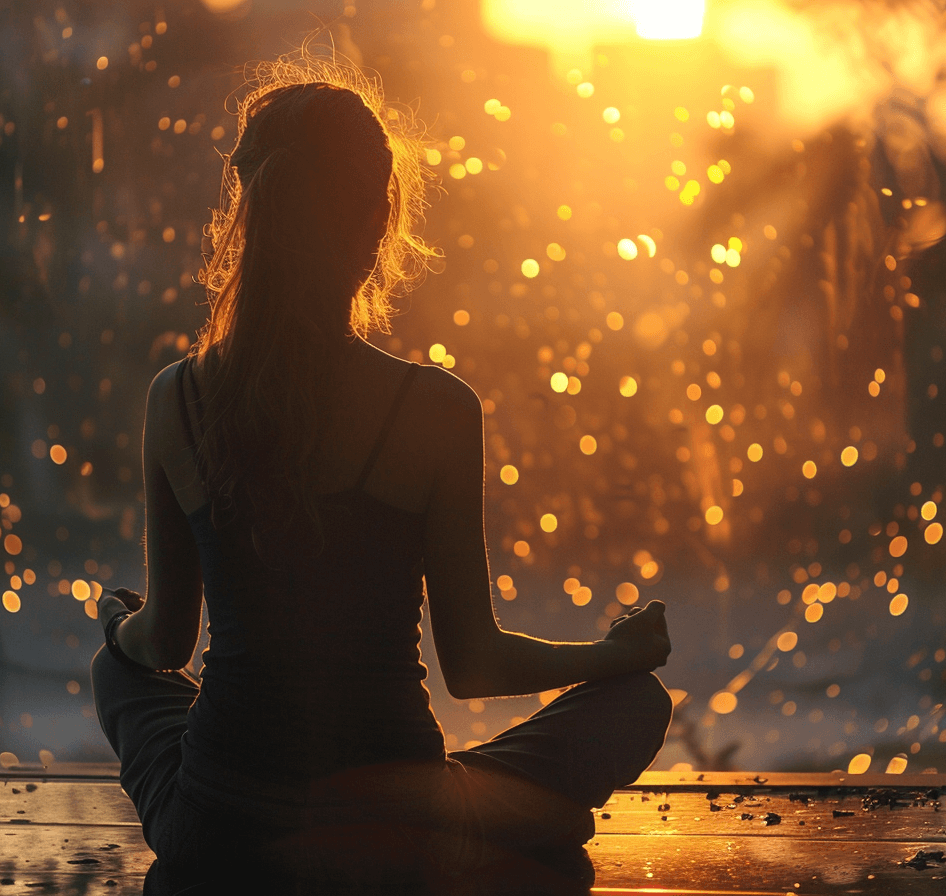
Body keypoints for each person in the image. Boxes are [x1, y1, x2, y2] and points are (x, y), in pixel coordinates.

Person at [90, 51, 672, 895]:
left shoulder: (176, 396)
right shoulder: (434, 408)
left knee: (120, 676)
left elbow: (165, 643)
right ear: (377, 221)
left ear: (249, 217)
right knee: (638, 702)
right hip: (401, 826)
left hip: (217, 826)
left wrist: (116, 628)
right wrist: (614, 656)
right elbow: (473, 665)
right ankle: (499, 825)